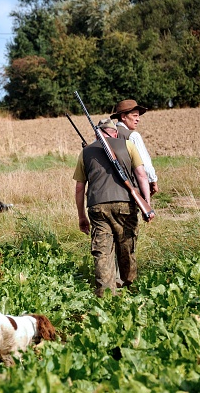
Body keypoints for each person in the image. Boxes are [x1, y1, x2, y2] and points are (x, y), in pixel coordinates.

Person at [73, 118, 154, 297]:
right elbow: (141, 175)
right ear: (115, 133)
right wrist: (146, 204)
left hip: (97, 207)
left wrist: (81, 217)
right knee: (127, 246)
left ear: (97, 135)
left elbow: (79, 188)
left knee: (102, 251)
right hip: (125, 204)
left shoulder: (86, 152)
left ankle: (105, 294)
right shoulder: (128, 145)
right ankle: (128, 286)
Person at [110, 99, 159, 195]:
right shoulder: (133, 136)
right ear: (123, 117)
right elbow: (144, 163)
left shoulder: (105, 134)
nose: (138, 119)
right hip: (131, 188)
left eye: (138, 116)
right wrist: (152, 181)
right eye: (134, 115)